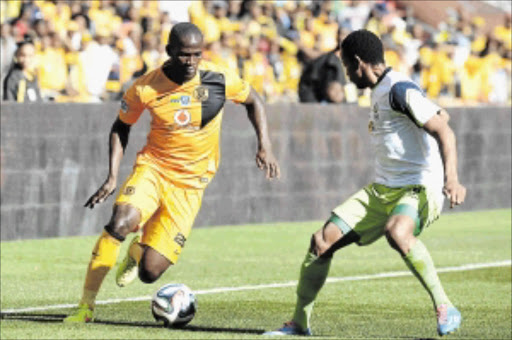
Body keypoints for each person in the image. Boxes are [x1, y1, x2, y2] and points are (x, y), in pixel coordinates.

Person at [64, 22, 280, 323]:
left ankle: (138, 252)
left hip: (191, 185)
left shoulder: (218, 77)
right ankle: (85, 307)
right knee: (121, 222)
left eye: (196, 55)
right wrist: (113, 175)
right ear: (169, 51)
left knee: (150, 272)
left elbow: (253, 100)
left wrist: (264, 145)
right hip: (154, 168)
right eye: (184, 55)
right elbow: (121, 126)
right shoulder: (146, 87)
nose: (191, 62)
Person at [265, 29, 466, 337]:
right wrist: (435, 110)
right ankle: (299, 323)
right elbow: (441, 115)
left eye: (347, 66)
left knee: (397, 231)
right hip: (382, 189)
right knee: (321, 242)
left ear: (359, 62)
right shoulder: (384, 89)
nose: (346, 74)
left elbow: (445, 131)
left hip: (419, 186)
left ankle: (445, 305)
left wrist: (451, 178)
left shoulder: (398, 88)